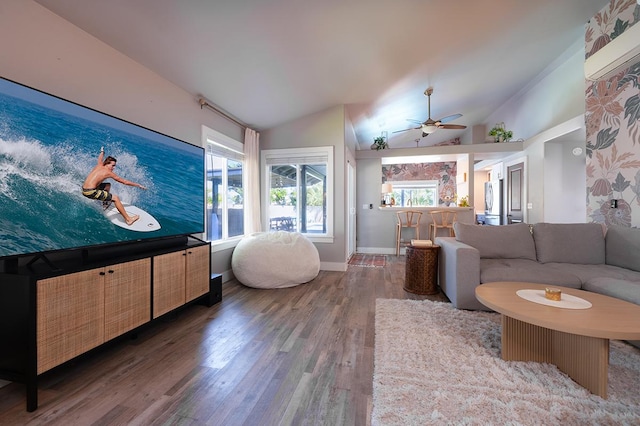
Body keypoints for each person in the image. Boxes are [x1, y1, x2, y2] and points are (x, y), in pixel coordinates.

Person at [82, 146, 147, 226]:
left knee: (107, 185)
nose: (113, 168)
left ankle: (105, 203)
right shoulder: (108, 172)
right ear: (107, 164)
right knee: (116, 198)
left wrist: (102, 151)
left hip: (84, 190)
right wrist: (138, 185)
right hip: (90, 192)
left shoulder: (99, 165)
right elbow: (124, 182)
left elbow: (100, 158)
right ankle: (128, 219)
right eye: (113, 165)